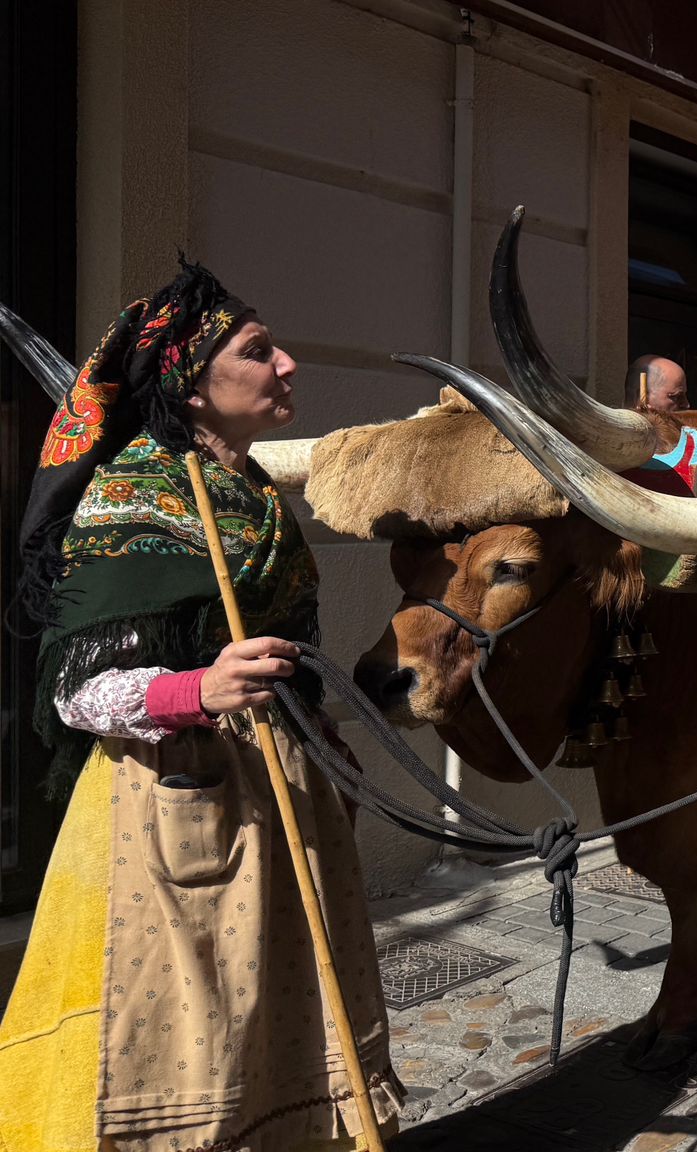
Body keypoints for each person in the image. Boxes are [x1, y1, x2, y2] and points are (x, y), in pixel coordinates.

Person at [0, 263, 402, 1148]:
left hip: (285, 796)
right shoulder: (132, 495)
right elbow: (78, 691)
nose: (288, 364)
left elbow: (290, 656)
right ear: (190, 383)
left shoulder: (254, 496)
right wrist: (198, 688)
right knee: (195, 1040)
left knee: (288, 1026)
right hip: (173, 810)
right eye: (259, 351)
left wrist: (329, 743)